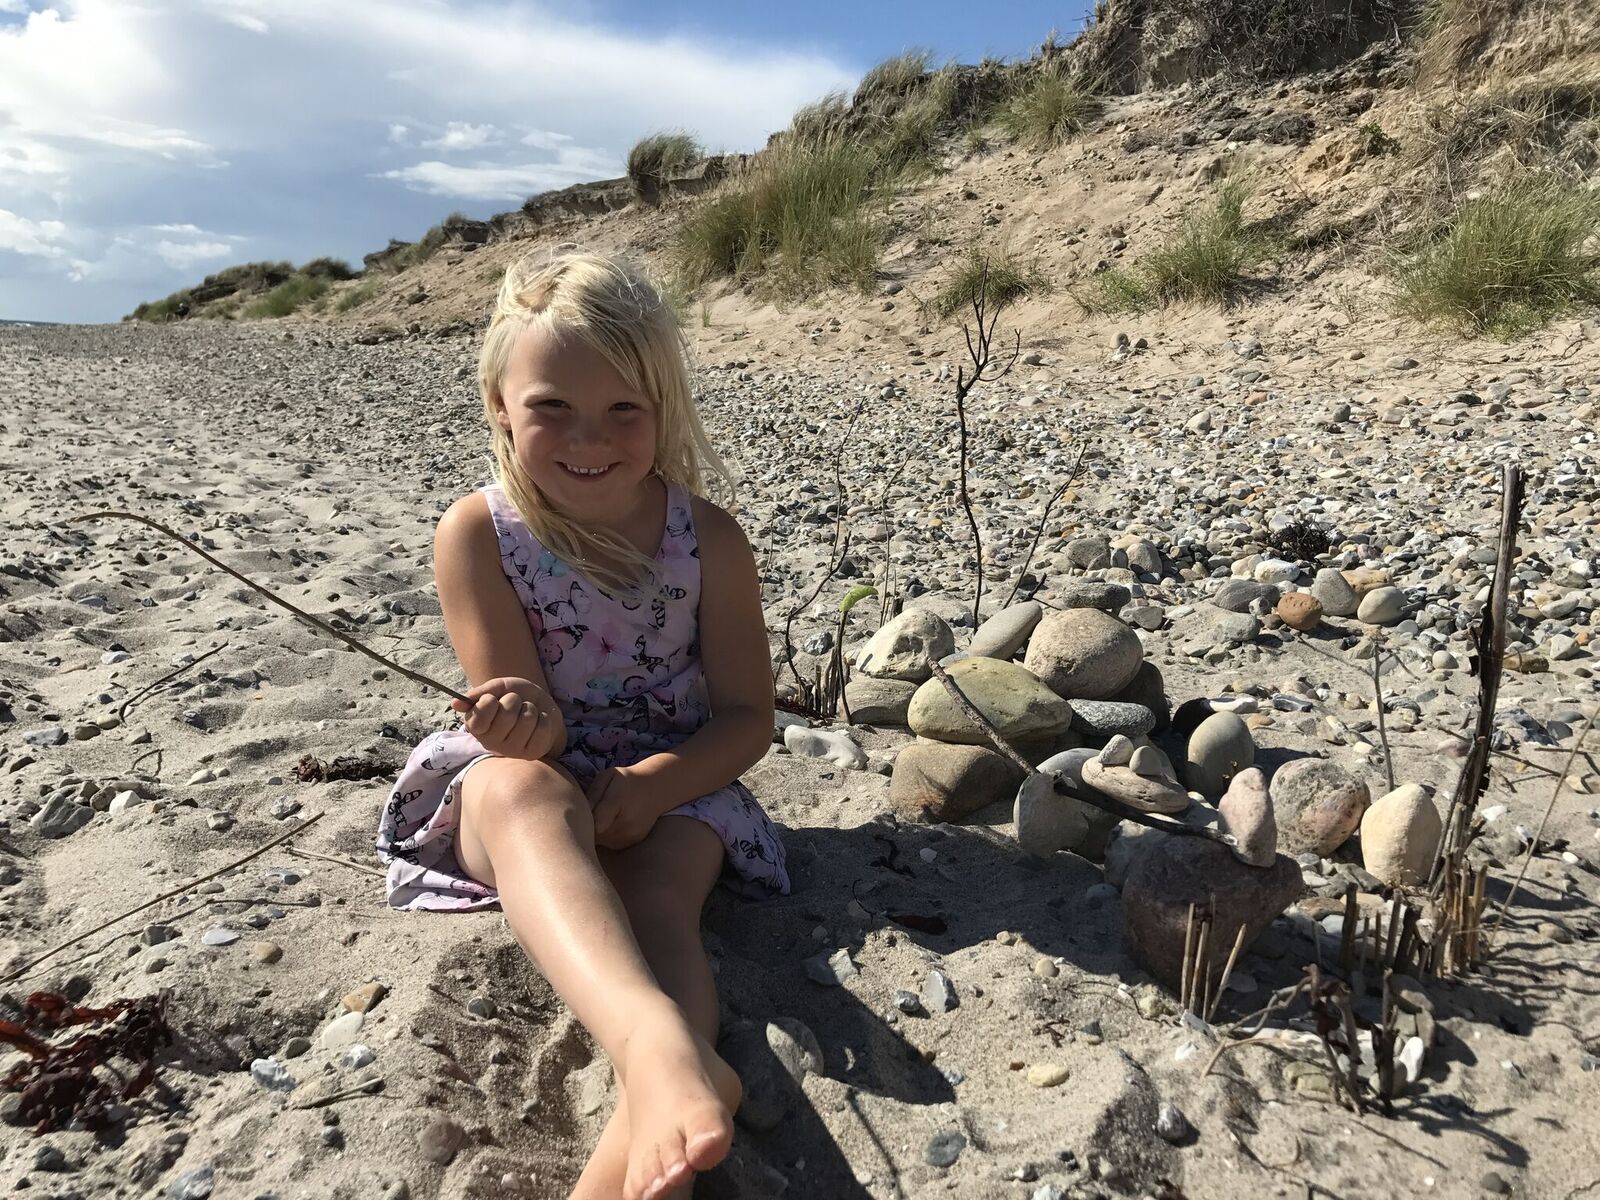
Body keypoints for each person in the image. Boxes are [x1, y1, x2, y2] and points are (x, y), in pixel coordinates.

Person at [375, 245, 789, 1200]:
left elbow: (746, 718)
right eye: (552, 406)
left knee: (661, 901)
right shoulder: (479, 534)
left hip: (673, 781)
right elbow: (526, 714)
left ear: (664, 408)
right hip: (537, 781)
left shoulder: (707, 540)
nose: (588, 437)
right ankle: (658, 1044)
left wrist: (653, 785)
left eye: (623, 410)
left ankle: (660, 1112)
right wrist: (521, 724)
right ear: (500, 406)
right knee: (520, 790)